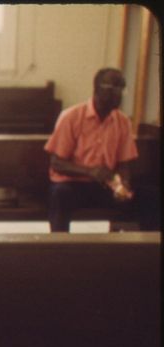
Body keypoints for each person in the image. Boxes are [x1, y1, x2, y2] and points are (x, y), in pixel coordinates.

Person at [44, 67, 143, 232]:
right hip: (72, 185)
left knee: (150, 196)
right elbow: (56, 163)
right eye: (114, 87)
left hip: (105, 186)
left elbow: (123, 164)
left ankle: (146, 252)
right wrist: (90, 171)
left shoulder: (123, 121)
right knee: (59, 194)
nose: (119, 93)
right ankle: (59, 250)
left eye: (122, 88)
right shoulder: (71, 116)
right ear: (97, 88)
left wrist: (123, 185)